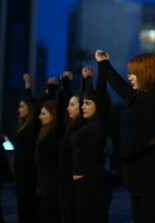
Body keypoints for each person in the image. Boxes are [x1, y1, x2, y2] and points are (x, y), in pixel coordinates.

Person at [96, 39, 155, 222]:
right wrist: (104, 63)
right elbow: (118, 84)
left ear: (146, 72)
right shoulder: (135, 97)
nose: (129, 77)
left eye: (133, 73)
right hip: (138, 182)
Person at [72, 63, 112, 223]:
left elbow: (101, 95)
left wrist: (101, 68)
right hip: (80, 186)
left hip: (93, 186)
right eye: (82, 103)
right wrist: (87, 80)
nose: (83, 107)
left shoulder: (100, 125)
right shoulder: (86, 124)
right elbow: (86, 95)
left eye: (87, 104)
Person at [13, 74, 41, 223]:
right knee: (22, 205)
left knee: (28, 206)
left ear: (29, 109)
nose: (19, 109)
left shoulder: (32, 127)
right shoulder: (23, 126)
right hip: (20, 173)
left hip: (28, 171)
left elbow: (32, 104)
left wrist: (28, 85)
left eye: (22, 107)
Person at [35, 78, 63, 223]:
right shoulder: (44, 131)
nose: (40, 117)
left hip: (52, 183)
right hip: (44, 181)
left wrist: (53, 89)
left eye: (44, 114)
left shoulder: (55, 133)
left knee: (51, 215)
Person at [57, 70, 83, 223]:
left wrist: (88, 80)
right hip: (63, 183)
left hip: (74, 184)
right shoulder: (69, 127)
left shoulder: (83, 128)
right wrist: (64, 84)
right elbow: (63, 110)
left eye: (73, 105)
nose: (68, 108)